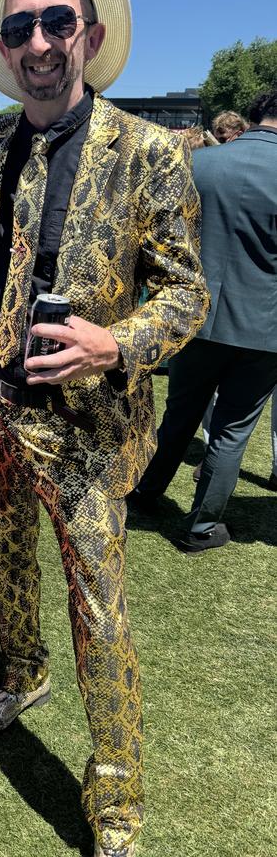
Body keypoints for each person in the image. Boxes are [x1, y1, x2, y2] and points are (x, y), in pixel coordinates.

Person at [0, 0, 208, 857]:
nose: (37, 40)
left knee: (100, 614)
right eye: (20, 26)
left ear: (89, 35)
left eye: (56, 21)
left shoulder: (150, 152)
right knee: (2, 559)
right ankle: (22, 673)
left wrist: (115, 343)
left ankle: (115, 820)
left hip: (92, 435)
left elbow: (188, 296)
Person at [130, 88, 277, 550]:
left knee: (179, 416)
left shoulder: (202, 165)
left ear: (255, 115)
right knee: (232, 431)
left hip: (196, 317)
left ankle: (146, 492)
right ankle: (201, 525)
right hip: (264, 329)